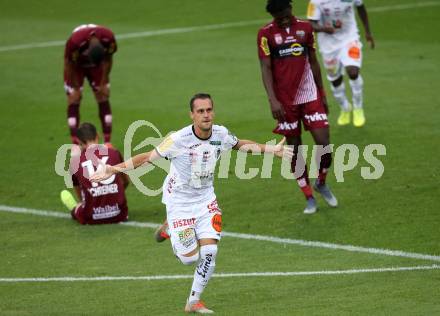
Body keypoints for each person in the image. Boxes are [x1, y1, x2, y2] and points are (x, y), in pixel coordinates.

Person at [90, 93, 292, 313]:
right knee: (190, 259)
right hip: (179, 202)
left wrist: (271, 149)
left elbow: (239, 144)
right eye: (200, 111)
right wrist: (111, 169)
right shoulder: (178, 139)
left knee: (210, 252)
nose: (206, 115)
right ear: (192, 115)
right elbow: (146, 158)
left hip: (206, 200)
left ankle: (193, 301)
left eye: (209, 110)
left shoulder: (220, 133)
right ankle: (170, 226)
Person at [258, 0, 338, 214]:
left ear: (290, 9)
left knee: (324, 142)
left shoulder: (306, 28)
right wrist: (273, 100)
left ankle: (321, 181)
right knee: (295, 149)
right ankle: (309, 196)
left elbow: (313, 61)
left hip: (310, 96)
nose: (283, 18)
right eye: (278, 16)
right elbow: (265, 67)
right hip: (285, 101)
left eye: (285, 13)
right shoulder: (265, 34)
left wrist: (322, 94)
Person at [307, 0, 374, 127]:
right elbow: (311, 23)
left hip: (350, 38)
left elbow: (361, 7)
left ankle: (358, 108)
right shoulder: (315, 1)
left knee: (353, 72)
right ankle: (345, 107)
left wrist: (367, 31)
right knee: (335, 79)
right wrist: (324, 29)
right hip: (328, 45)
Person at [60, 122, 129, 225]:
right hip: (120, 214)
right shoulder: (114, 152)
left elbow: (79, 191)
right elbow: (126, 181)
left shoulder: (75, 161)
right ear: (98, 136)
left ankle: (75, 208)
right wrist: (111, 192)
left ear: (79, 142)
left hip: (91, 216)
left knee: (78, 209)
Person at [64, 24, 117, 145]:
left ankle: (108, 142)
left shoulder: (109, 38)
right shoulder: (75, 42)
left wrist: (103, 82)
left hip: (98, 67)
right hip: (75, 66)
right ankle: (75, 144)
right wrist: (76, 87)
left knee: (103, 95)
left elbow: (109, 59)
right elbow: (68, 63)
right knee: (74, 97)